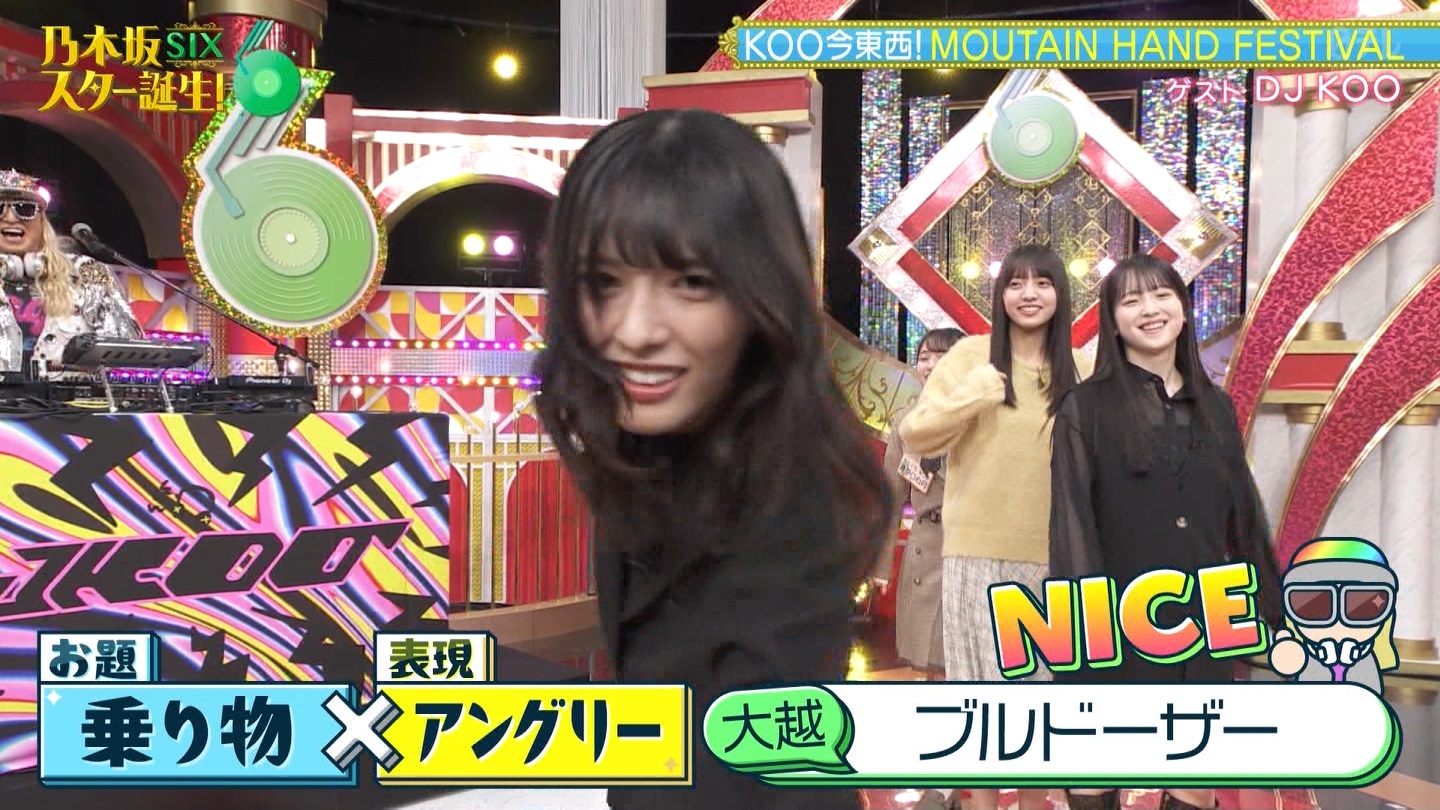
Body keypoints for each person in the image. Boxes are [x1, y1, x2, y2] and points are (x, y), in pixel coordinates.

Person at [532, 108, 894, 810]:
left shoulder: (790, 502)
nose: (635, 330)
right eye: (603, 283)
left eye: (691, 282)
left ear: (763, 295)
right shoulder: (654, 452)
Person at [1048, 254, 1283, 810]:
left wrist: (1266, 609)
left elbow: (1243, 515)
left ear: (1183, 309)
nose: (1149, 310)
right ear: (1112, 321)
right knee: (1095, 774)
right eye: (1131, 300)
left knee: (1192, 778)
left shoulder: (1216, 406)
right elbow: (1072, 523)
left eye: (1161, 295)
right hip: (1114, 617)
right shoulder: (1085, 408)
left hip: (1204, 617)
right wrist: (1086, 633)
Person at [899, 245, 1088, 810]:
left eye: (1042, 283)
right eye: (1016, 283)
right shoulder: (971, 357)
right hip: (975, 551)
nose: (1029, 294)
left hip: (1054, 557)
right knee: (979, 697)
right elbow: (917, 434)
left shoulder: (1079, 368)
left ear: (1060, 294)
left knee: (1039, 704)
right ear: (1000, 294)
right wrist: (974, 395)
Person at [876, 327, 963, 681]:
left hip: (969, 545)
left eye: (941, 356)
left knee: (966, 652)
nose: (930, 364)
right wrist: (881, 565)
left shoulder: (986, 417)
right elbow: (890, 497)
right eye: (924, 357)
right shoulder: (905, 424)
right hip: (925, 547)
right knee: (928, 658)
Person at [0, 168, 142, 376]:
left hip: (68, 396)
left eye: (25, 208)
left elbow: (128, 352)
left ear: (42, 222)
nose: (10, 217)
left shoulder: (87, 274)